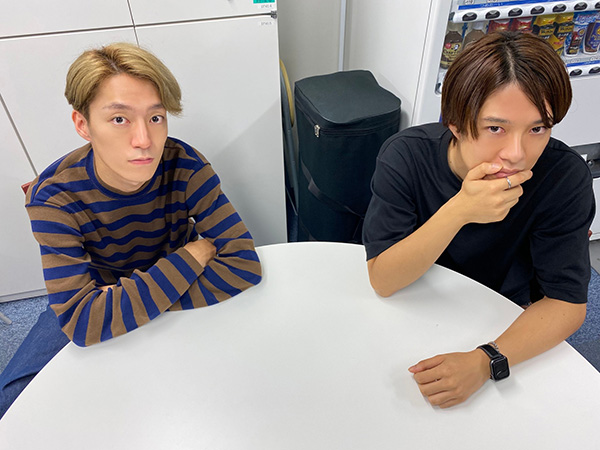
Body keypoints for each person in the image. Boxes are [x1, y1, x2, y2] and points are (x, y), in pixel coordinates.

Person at [0, 42, 262, 418]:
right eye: (120, 119)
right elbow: (81, 319)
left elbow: (244, 265)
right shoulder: (53, 197)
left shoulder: (185, 165)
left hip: (147, 289)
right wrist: (194, 253)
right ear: (83, 125)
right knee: (13, 400)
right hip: (143, 281)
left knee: (220, 392)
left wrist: (126, 306)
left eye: (156, 117)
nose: (144, 140)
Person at [363, 31, 594, 408]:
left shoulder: (563, 177)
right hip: (411, 298)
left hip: (503, 318)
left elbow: (566, 302)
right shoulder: (406, 156)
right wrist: (459, 210)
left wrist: (487, 361)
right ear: (455, 122)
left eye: (537, 129)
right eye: (495, 128)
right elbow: (383, 280)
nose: (517, 153)